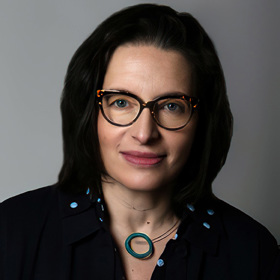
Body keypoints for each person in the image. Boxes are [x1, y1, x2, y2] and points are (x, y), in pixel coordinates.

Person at [0, 3, 279, 280]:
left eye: (172, 106)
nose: (144, 134)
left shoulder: (253, 253)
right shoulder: (11, 231)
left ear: (201, 121)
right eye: (121, 102)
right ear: (89, 113)